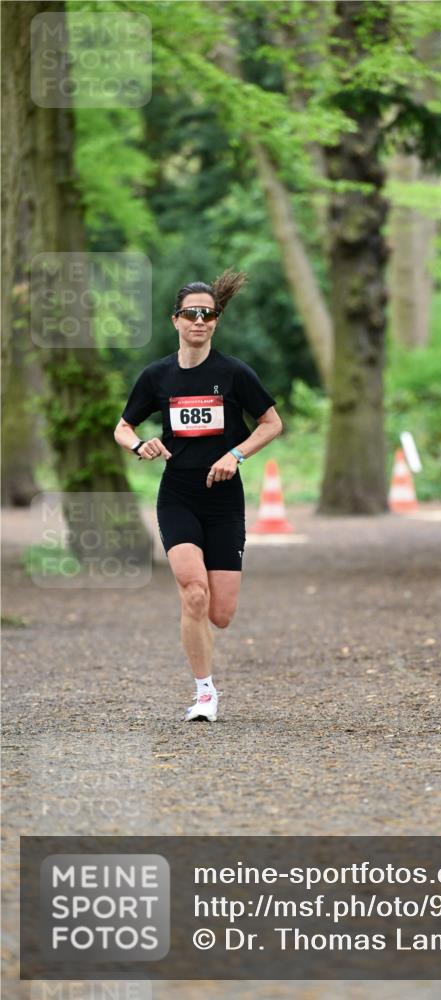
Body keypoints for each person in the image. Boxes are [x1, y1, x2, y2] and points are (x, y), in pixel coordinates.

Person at [114, 271, 282, 722]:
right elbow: (123, 426)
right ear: (176, 321)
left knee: (221, 613)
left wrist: (236, 454)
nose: (200, 321)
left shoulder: (233, 373)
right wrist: (138, 445)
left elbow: (271, 423)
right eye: (192, 314)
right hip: (178, 496)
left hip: (225, 500)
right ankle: (204, 693)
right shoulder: (158, 376)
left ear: (216, 321)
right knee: (193, 594)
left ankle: (205, 662)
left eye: (209, 314)